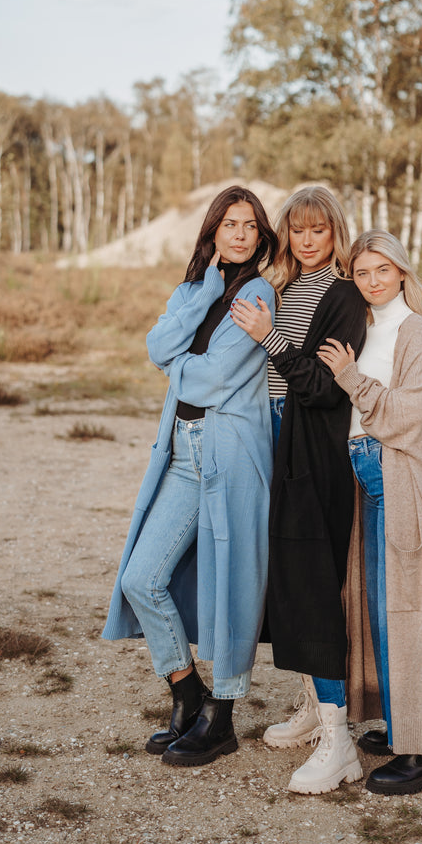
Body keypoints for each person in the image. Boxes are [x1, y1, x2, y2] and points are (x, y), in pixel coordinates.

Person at [102, 186, 278, 768]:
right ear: (212, 232)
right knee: (141, 578)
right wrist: (199, 298)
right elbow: (156, 343)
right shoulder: (195, 289)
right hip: (181, 452)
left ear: (260, 236)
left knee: (230, 584)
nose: (240, 234)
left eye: (250, 226)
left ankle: (222, 719)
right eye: (229, 224)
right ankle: (187, 691)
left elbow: (204, 378)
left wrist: (174, 364)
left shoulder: (256, 293)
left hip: (229, 455)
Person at [316, 229, 422, 796]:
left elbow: (409, 415)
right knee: (377, 605)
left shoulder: (414, 328)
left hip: (398, 475)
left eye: (382, 271)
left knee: (407, 607)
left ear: (402, 272)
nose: (372, 281)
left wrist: (351, 379)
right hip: (364, 471)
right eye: (362, 273)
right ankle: (401, 723)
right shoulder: (365, 324)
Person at [231, 185, 367, 794]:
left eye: (319, 230)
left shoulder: (342, 296)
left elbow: (323, 387)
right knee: (289, 579)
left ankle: (341, 743)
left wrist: (270, 338)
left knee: (313, 586)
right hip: (279, 442)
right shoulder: (283, 290)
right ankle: (315, 707)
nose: (308, 241)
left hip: (316, 451)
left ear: (336, 231)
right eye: (299, 230)